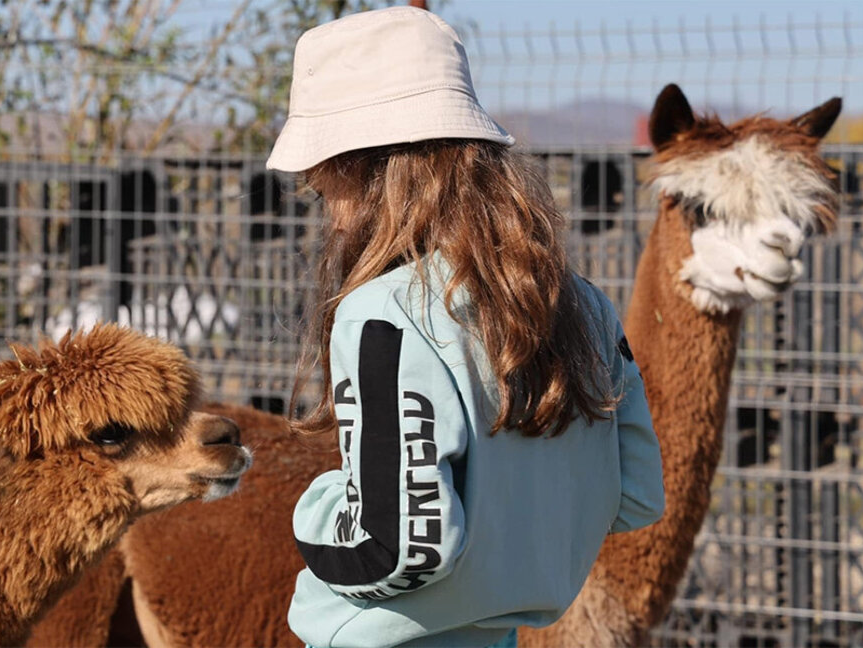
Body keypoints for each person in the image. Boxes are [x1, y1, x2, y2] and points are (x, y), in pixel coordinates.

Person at [266, 7, 665, 648]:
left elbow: (393, 549)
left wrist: (314, 508)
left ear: (369, 173)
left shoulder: (384, 317)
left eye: (325, 188)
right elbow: (639, 495)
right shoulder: (586, 309)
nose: (331, 218)